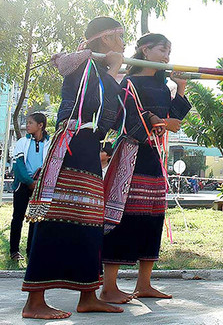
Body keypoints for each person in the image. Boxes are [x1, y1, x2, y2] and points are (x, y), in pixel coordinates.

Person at [22, 16, 162, 320]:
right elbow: (91, 107)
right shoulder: (80, 65)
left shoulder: (101, 70)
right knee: (56, 220)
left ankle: (88, 295)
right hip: (72, 149)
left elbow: (114, 118)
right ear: (106, 40)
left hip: (89, 153)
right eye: (120, 37)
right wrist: (113, 71)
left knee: (89, 224)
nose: (124, 44)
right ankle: (34, 302)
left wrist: (149, 124)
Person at [101, 33, 190, 303]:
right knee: (122, 217)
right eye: (163, 50)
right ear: (144, 50)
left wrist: (181, 89)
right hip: (131, 155)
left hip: (154, 158)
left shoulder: (162, 87)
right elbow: (126, 120)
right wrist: (160, 120)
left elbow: (172, 120)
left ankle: (144, 283)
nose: (167, 56)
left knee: (153, 217)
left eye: (169, 52)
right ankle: (108, 286)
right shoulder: (128, 83)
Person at [9, 113, 50, 262]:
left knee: (36, 218)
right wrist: (29, 181)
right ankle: (14, 251)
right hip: (23, 185)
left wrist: (39, 183)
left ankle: (31, 250)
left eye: (30, 123)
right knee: (17, 217)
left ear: (40, 125)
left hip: (40, 186)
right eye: (27, 123)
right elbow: (18, 165)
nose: (27, 125)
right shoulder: (22, 142)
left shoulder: (49, 143)